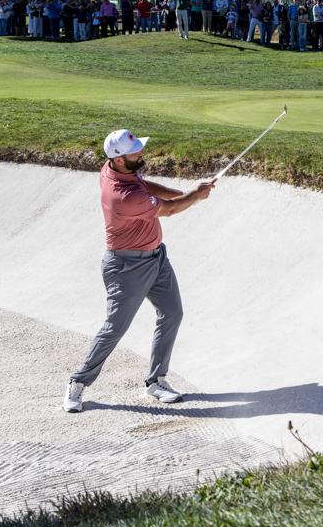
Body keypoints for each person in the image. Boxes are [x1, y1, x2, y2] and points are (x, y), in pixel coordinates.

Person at [64, 129, 215, 413]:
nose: (140, 153)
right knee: (115, 328)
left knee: (172, 313)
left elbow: (145, 186)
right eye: (134, 151)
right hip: (126, 267)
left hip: (156, 258)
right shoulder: (122, 196)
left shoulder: (116, 170)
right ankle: (78, 382)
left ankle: (156, 381)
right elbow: (168, 210)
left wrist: (186, 193)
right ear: (119, 159)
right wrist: (194, 196)